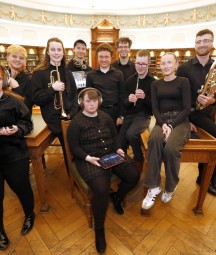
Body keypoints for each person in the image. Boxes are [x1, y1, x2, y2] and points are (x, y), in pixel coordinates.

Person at [67, 88, 140, 254]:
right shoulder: (76, 122)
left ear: (98, 101)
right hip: (90, 159)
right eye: (88, 101)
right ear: (81, 103)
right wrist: (87, 158)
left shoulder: (106, 117)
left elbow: (115, 136)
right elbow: (74, 148)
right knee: (101, 189)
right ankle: (99, 230)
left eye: (94, 101)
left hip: (110, 155)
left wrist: (119, 149)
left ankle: (117, 197)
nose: (92, 104)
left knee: (134, 174)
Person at [142, 52, 191, 210]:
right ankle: (153, 186)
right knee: (154, 140)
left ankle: (171, 186)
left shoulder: (183, 81)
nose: (166, 66)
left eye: (169, 62)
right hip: (162, 120)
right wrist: (163, 124)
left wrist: (171, 126)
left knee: (170, 148)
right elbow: (155, 108)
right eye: (163, 63)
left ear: (176, 64)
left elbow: (186, 108)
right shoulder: (156, 84)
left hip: (180, 121)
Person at [176, 29, 216, 196]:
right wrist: (186, 119)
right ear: (195, 44)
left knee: (210, 147)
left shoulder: (215, 66)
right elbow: (177, 95)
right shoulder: (185, 68)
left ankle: (204, 177)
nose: (202, 44)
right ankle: (210, 180)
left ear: (212, 44)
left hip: (209, 112)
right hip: (192, 113)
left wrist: (213, 100)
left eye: (206, 41)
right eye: (199, 41)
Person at [0, 65, 35, 250]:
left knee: (22, 188)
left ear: (3, 81)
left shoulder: (15, 101)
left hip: (14, 154)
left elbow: (27, 125)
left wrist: (17, 129)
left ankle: (29, 214)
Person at [31, 37, 78, 173]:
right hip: (53, 119)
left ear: (63, 52)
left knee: (76, 145)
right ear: (47, 52)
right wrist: (53, 88)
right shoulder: (38, 73)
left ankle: (78, 174)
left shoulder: (67, 71)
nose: (56, 52)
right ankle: (73, 177)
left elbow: (74, 95)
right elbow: (36, 99)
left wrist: (72, 113)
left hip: (69, 115)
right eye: (53, 49)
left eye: (59, 49)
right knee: (69, 147)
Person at [119, 50, 155, 170]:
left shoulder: (153, 82)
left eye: (143, 64)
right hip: (130, 114)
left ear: (148, 64)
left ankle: (138, 159)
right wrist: (129, 100)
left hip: (144, 115)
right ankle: (123, 164)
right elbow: (124, 104)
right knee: (121, 140)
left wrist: (145, 98)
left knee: (131, 134)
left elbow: (154, 108)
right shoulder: (129, 81)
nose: (140, 67)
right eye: (138, 63)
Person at [86, 43, 124, 127]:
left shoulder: (119, 74)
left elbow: (122, 96)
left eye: (106, 57)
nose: (104, 59)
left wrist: (121, 116)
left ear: (111, 57)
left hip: (115, 112)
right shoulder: (90, 75)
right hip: (98, 112)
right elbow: (89, 98)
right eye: (101, 57)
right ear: (97, 57)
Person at [6, 44, 34, 113]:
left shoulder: (30, 79)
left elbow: (27, 105)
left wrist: (16, 87)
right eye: (14, 56)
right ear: (7, 57)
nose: (17, 60)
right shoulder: (2, 75)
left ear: (25, 61)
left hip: (21, 120)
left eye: (21, 58)